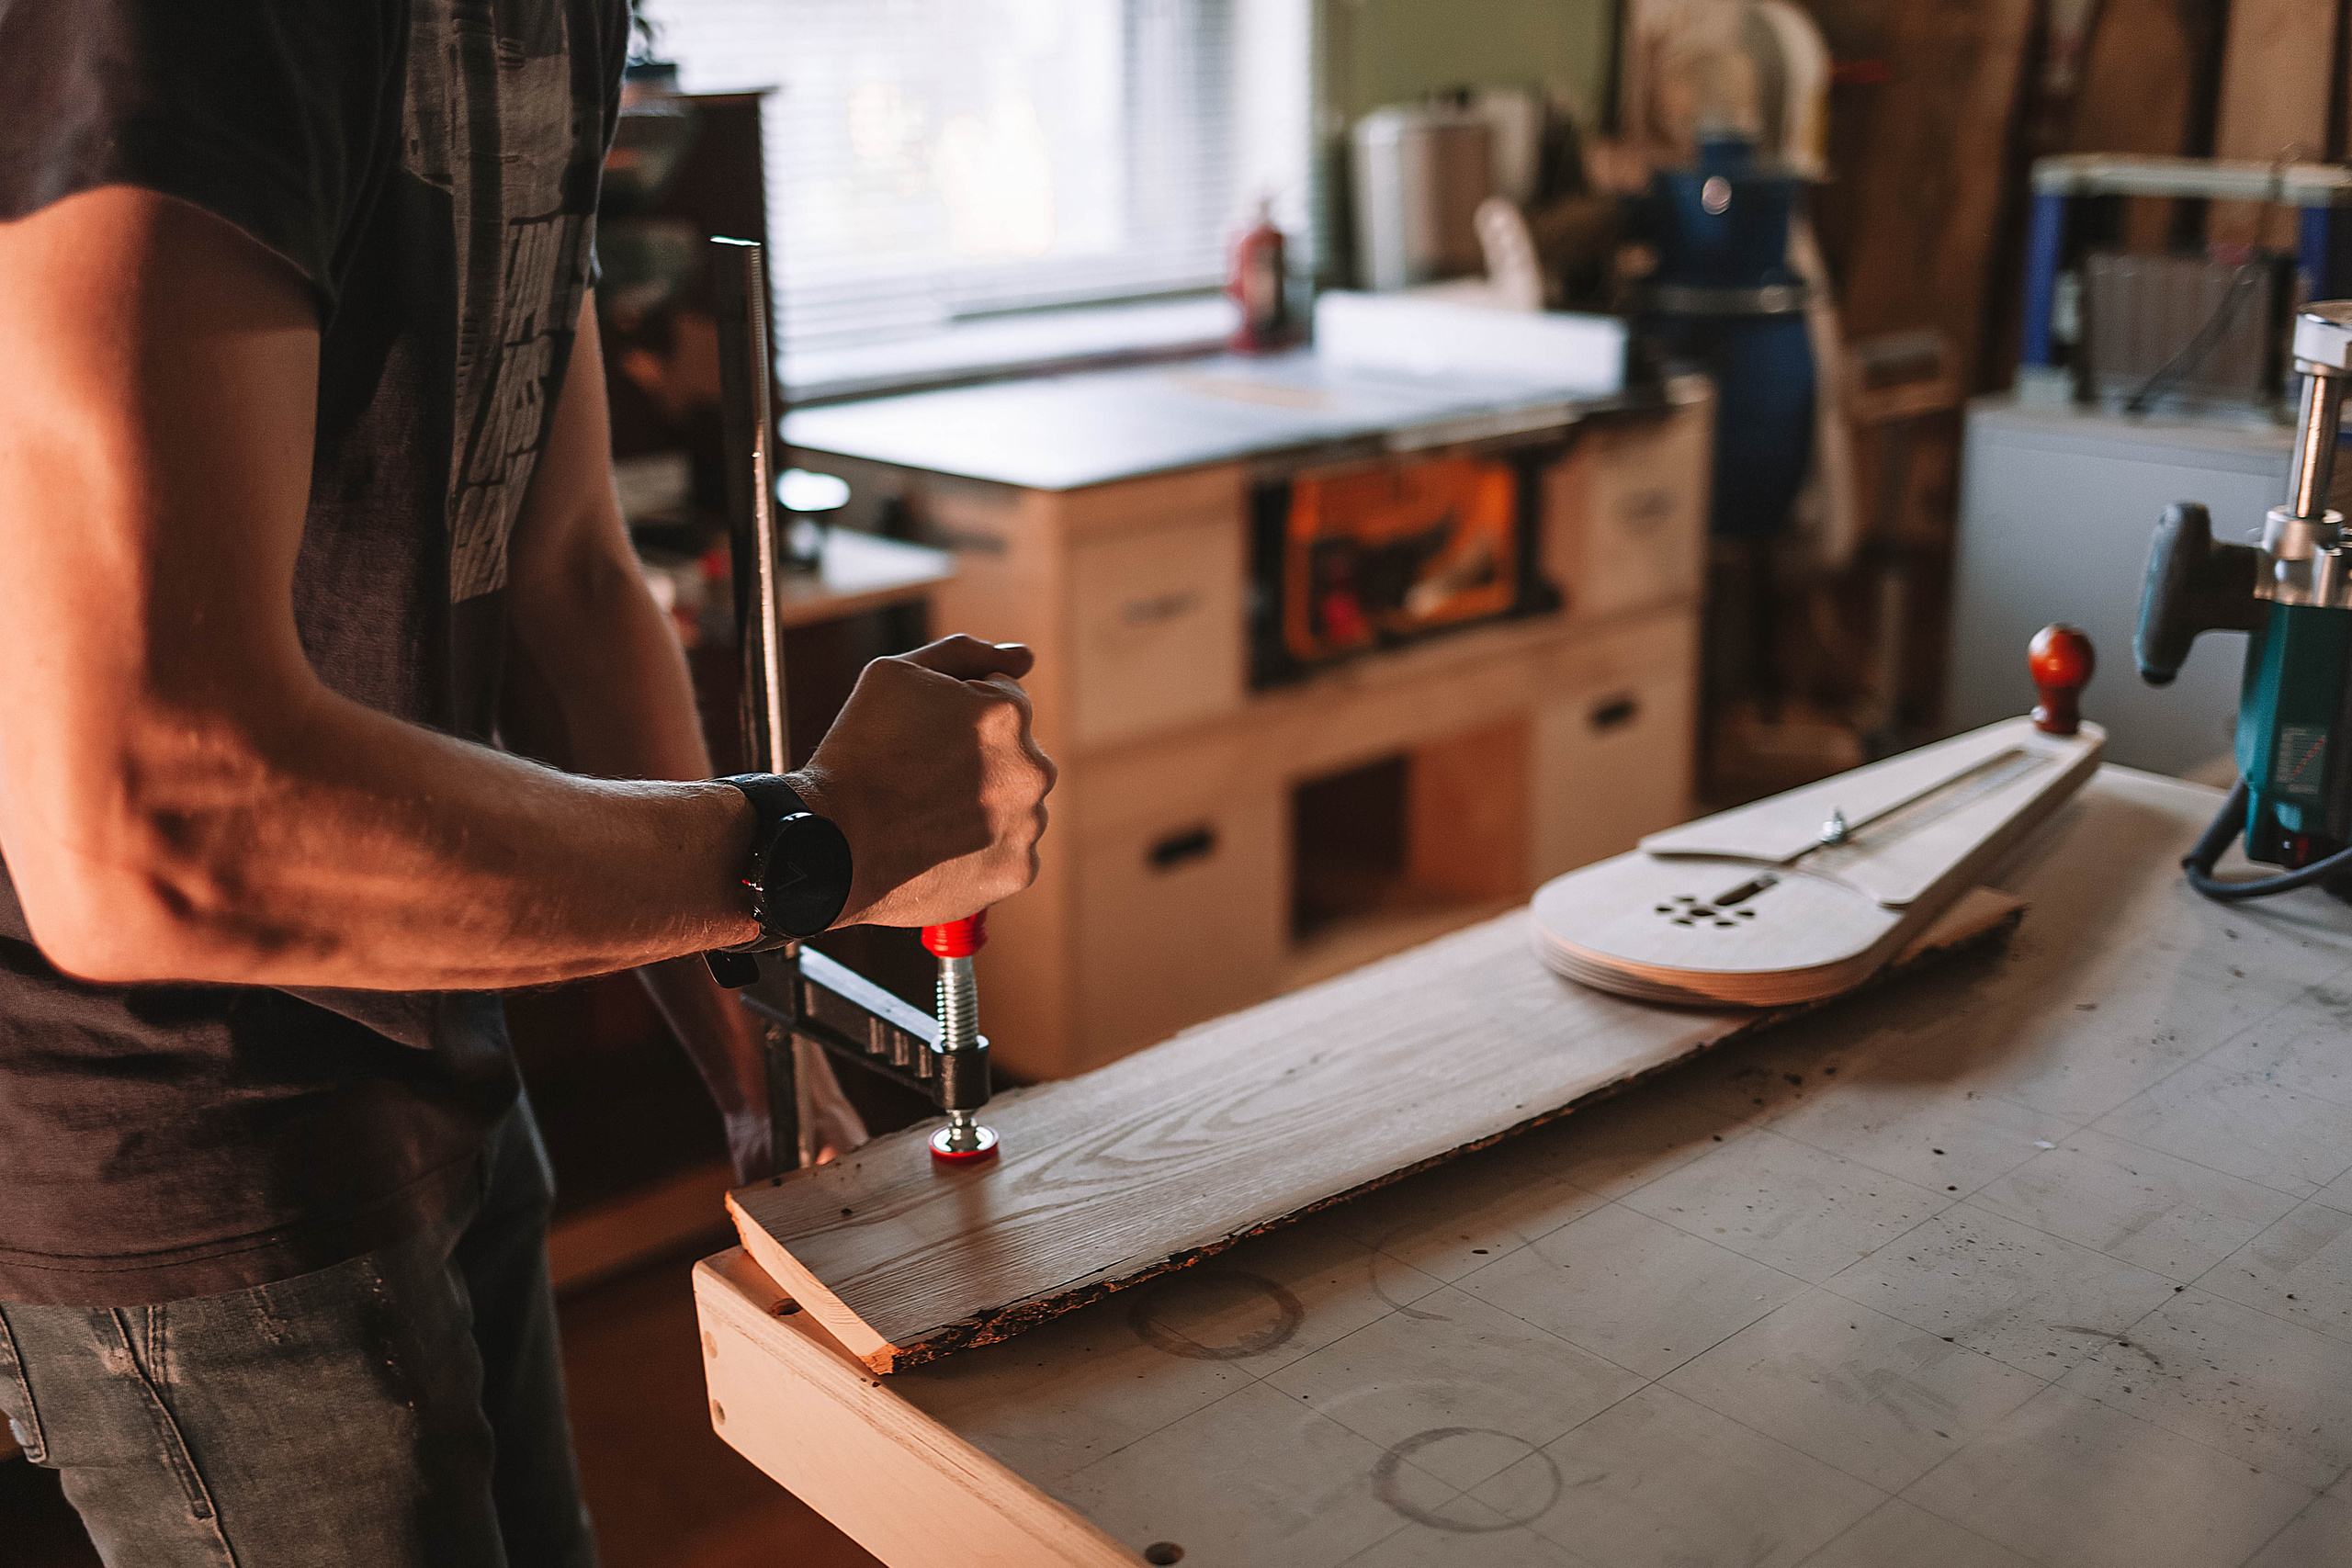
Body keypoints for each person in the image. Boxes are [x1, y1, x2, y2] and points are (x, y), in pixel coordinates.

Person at [0, 4, 1055, 1565]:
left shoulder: (542, 25)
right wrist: (820, 843)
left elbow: (566, 566)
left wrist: (749, 1021)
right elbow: (157, 831)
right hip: (185, 1153)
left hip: (433, 1042)